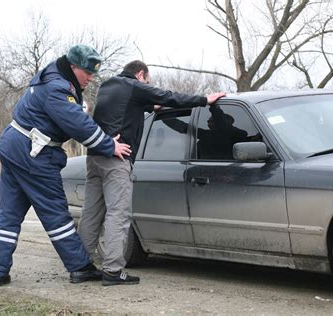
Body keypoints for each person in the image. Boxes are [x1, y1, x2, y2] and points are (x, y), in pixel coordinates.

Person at [0, 45, 131, 286]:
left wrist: (78, 107)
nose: (90, 77)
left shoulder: (50, 76)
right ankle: (80, 267)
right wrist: (109, 146)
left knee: (9, 215)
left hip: (14, 147)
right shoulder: (58, 88)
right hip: (33, 154)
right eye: (87, 72)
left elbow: (67, 115)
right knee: (56, 215)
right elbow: (78, 125)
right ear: (73, 67)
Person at [77, 60, 225, 286]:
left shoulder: (107, 86)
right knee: (118, 214)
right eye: (148, 81)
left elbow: (126, 109)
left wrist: (148, 106)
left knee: (91, 213)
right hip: (118, 158)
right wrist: (204, 100)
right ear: (141, 74)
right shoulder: (134, 85)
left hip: (95, 157)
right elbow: (168, 96)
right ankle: (113, 271)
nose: (148, 84)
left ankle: (81, 268)